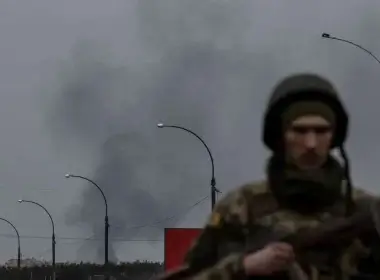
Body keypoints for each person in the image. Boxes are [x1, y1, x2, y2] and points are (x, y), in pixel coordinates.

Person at [158, 73, 380, 280]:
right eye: (299, 131)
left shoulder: (366, 210)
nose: (311, 144)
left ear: (334, 137)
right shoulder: (242, 207)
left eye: (321, 131)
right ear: (281, 136)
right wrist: (244, 266)